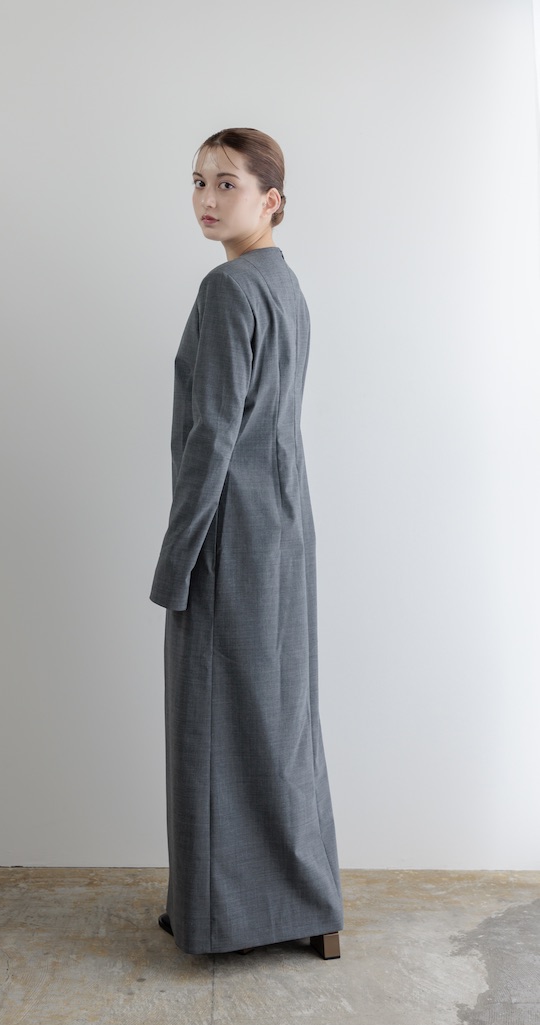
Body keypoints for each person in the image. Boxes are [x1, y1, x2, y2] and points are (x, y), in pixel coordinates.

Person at [150, 128, 344, 957]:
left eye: (226, 183)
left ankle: (216, 917)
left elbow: (213, 438)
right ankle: (307, 905)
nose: (206, 198)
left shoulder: (229, 289)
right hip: (286, 530)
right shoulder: (284, 284)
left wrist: (175, 563)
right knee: (281, 722)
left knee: (212, 725)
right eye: (198, 181)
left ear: (271, 200)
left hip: (229, 536)